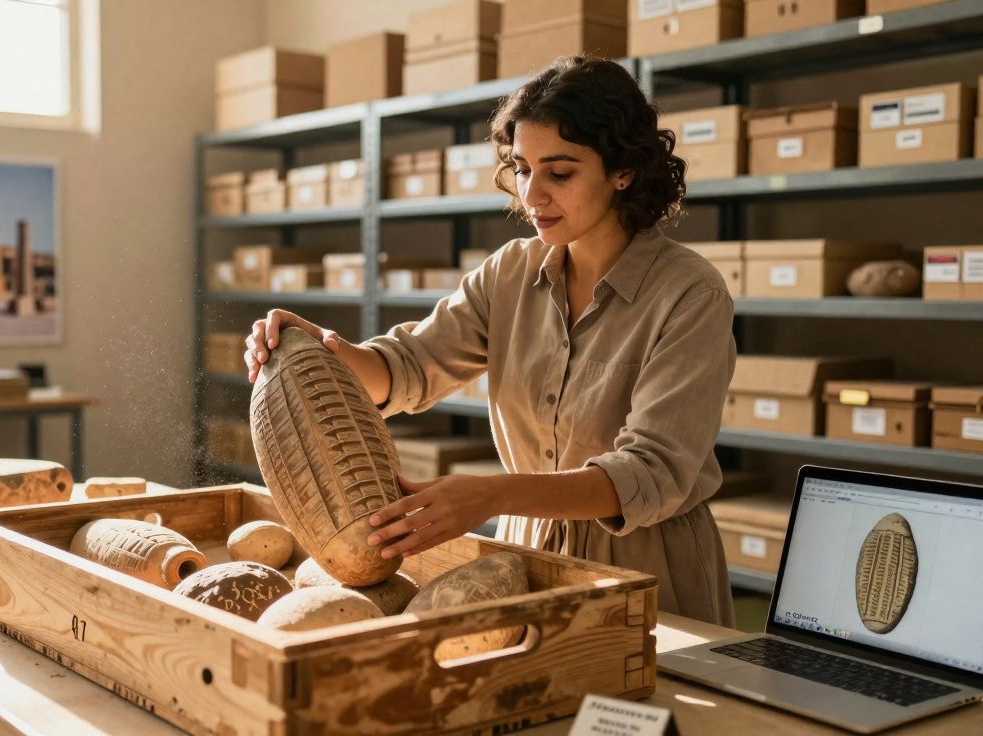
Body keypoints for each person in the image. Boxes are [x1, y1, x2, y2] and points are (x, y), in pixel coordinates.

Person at [244, 56, 736, 626]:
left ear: (622, 170)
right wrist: (322, 350)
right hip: (524, 553)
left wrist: (489, 495)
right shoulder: (510, 273)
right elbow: (409, 365)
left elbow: (651, 471)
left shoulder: (690, 292)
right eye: (523, 169)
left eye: (560, 172)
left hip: (647, 565)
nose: (533, 195)